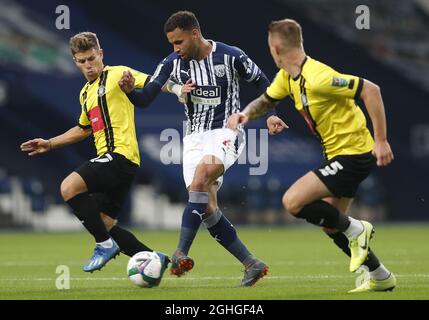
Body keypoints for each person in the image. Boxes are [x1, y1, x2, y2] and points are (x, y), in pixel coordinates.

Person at [228, 19, 396, 293]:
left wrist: (381, 140)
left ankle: (357, 229)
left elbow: (371, 89)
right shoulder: (286, 77)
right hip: (338, 155)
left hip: (354, 154)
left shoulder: (319, 78)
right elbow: (266, 101)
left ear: (276, 47)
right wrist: (246, 114)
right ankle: (380, 275)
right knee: (331, 224)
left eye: (270, 47)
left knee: (292, 201)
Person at [119, 11, 269, 286]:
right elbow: (144, 99)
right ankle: (251, 263)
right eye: (172, 44)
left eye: (178, 42)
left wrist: (267, 115)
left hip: (226, 130)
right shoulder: (172, 64)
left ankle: (180, 252)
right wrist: (130, 91)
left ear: (195, 34)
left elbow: (264, 84)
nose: (175, 49)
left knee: (201, 177)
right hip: (193, 139)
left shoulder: (230, 56)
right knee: (207, 206)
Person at [20, 32, 169, 277]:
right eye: (82, 61)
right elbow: (83, 128)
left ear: (101, 54)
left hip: (120, 156)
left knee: (69, 187)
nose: (88, 65)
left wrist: (179, 90)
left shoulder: (118, 73)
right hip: (118, 164)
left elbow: (154, 82)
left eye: (91, 58)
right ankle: (154, 259)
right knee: (104, 222)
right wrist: (49, 143)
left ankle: (104, 245)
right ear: (75, 62)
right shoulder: (85, 93)